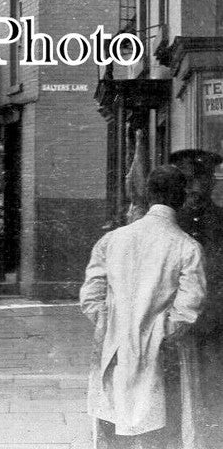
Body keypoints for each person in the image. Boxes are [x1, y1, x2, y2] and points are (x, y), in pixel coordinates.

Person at [80, 164, 206, 448]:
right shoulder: (187, 247)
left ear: (148, 196)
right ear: (181, 199)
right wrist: (156, 334)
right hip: (163, 357)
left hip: (114, 353)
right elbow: (187, 310)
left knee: (114, 429)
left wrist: (113, 327)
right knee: (162, 433)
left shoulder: (112, 240)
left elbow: (91, 297)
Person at [173, 148, 223, 447]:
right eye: (188, 182)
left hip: (213, 324)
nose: (194, 188)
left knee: (212, 391)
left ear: (211, 183)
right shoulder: (171, 221)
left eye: (199, 181)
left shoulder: (221, 221)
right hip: (176, 325)